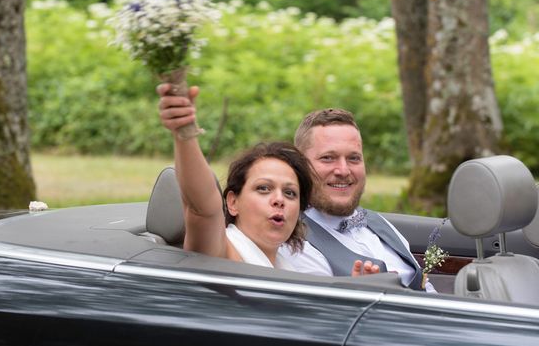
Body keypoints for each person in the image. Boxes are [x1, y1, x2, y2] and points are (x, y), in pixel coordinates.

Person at [157, 85, 380, 276]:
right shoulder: (223, 251)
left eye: (290, 193)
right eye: (263, 188)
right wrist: (183, 133)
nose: (279, 200)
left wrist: (354, 293)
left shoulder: (288, 267)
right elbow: (202, 208)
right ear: (233, 202)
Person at [279, 108, 433, 292]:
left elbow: (427, 289)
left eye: (354, 158)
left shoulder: (380, 223)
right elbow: (326, 315)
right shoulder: (294, 242)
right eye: (328, 158)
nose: (343, 171)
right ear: (300, 166)